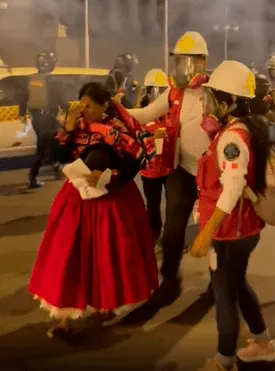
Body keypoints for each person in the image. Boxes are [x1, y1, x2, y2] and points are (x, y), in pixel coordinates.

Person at [28, 82, 159, 338]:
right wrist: (67, 128)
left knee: (108, 256)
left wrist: (110, 176)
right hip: (76, 199)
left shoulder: (118, 130)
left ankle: (106, 304)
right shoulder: (74, 127)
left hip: (112, 201)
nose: (84, 110)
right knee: (69, 257)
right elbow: (57, 155)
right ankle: (64, 319)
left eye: (90, 105)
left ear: (105, 106)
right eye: (82, 104)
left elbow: (132, 164)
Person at [190, 60, 275, 371]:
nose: (208, 104)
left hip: (229, 233)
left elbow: (231, 189)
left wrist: (206, 233)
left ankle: (223, 362)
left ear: (227, 102)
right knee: (238, 285)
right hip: (241, 230)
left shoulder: (233, 139)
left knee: (225, 297)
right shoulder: (241, 129)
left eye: (213, 98)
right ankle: (263, 342)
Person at [125, 31, 212, 309]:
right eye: (179, 61)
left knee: (216, 230)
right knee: (173, 227)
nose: (184, 68)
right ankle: (170, 278)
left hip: (214, 174)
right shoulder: (175, 91)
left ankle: (218, 280)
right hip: (182, 170)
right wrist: (115, 110)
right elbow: (146, 114)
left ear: (202, 62)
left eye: (189, 61)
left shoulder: (215, 91)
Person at [138, 69, 172, 245]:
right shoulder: (142, 115)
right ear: (149, 92)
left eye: (162, 92)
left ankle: (170, 237)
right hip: (150, 171)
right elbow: (137, 141)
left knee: (174, 206)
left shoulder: (169, 113)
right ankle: (154, 234)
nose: (159, 96)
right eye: (156, 91)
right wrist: (153, 138)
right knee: (153, 206)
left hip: (168, 167)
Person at [25, 52, 62, 189]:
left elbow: (23, 96)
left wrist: (22, 112)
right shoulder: (52, 80)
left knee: (54, 142)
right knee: (42, 149)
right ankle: (32, 179)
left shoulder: (30, 78)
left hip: (37, 118)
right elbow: (60, 99)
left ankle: (57, 168)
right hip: (47, 118)